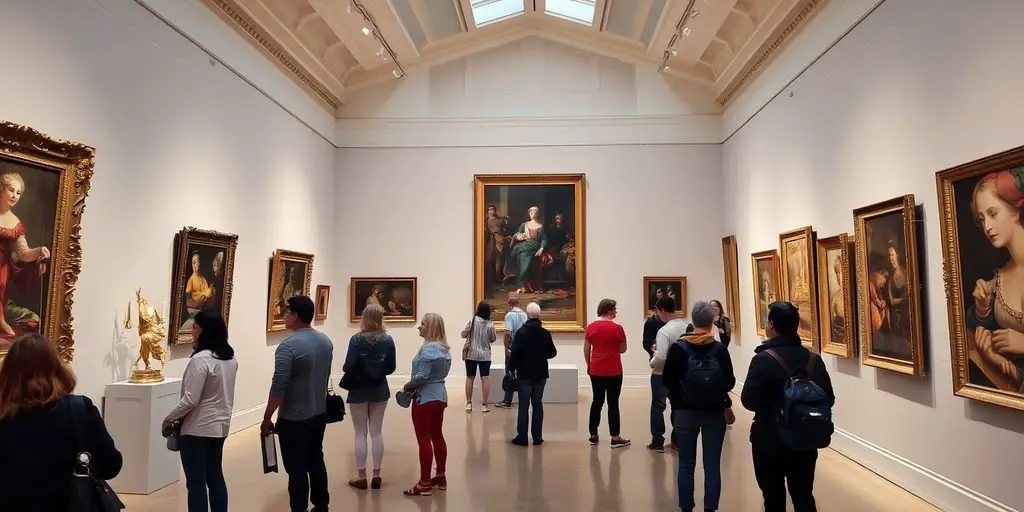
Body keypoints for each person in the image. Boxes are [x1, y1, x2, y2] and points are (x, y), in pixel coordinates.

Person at [0, 333, 123, 510]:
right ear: (57, 368)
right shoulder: (79, 409)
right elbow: (111, 466)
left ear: (8, 373)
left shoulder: (4, 417)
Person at [741, 301, 835, 512]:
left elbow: (748, 400)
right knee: (803, 496)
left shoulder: (763, 360)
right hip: (805, 438)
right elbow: (828, 398)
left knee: (773, 499)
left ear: (772, 325)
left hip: (769, 439)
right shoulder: (813, 360)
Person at [261, 296, 334, 512]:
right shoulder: (325, 341)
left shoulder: (288, 347)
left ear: (295, 316)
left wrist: (267, 417)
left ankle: (299, 508)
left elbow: (279, 385)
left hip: (294, 418)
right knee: (316, 459)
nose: (284, 316)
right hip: (318, 413)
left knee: (296, 469)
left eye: (287, 312)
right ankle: (321, 504)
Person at [661, 301, 736, 512]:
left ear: (692, 321)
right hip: (713, 413)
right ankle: (710, 508)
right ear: (712, 321)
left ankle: (686, 507)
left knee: (686, 463)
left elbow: (667, 380)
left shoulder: (678, 348)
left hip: (684, 412)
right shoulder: (719, 350)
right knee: (712, 465)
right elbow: (729, 382)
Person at [163, 310, 238, 512]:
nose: (192, 331)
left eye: (194, 327)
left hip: (197, 429)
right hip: (219, 427)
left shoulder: (200, 360)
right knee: (215, 478)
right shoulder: (229, 359)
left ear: (204, 330)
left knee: (195, 483)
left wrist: (169, 419)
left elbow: (190, 400)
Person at [342, 304, 397, 490]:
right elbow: (391, 368)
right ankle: (376, 474)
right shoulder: (388, 340)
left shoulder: (356, 340)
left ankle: (361, 475)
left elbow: (349, 365)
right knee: (377, 431)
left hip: (358, 389)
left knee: (360, 432)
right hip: (379, 389)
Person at [402, 313, 453, 496]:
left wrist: (406, 387)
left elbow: (421, 378)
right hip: (440, 396)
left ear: (430, 328)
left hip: (424, 398)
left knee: (424, 439)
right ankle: (440, 476)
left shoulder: (427, 351)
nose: (419, 327)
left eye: (423, 324)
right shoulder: (444, 349)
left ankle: (424, 483)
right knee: (437, 436)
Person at [507, 302, 557, 446]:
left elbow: (515, 354)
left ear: (527, 315)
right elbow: (552, 352)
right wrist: (541, 355)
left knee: (523, 405)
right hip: (541, 373)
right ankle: (537, 437)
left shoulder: (522, 333)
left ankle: (522, 437)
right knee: (537, 404)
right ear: (539, 315)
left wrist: (511, 368)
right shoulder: (545, 333)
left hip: (525, 373)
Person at [583, 298, 630, 447]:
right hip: (614, 370)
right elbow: (623, 349)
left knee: (597, 401)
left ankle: (593, 433)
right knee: (613, 403)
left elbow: (586, 349)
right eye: (614, 309)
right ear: (609, 310)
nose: (616, 311)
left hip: (596, 369)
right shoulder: (617, 329)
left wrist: (589, 365)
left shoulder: (591, 327)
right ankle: (615, 436)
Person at [645, 296, 687, 452]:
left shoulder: (664, 331)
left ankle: (657, 441)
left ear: (662, 310)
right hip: (682, 374)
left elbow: (661, 356)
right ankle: (676, 440)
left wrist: (652, 362)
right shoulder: (688, 326)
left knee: (657, 407)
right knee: (678, 406)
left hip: (661, 374)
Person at [461, 301, 497, 413]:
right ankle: (484, 405)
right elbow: (492, 339)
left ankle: (468, 403)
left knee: (470, 377)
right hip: (485, 354)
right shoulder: (491, 324)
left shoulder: (472, 321)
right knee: (485, 378)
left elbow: (463, 334)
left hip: (471, 353)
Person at [495, 292, 528, 408]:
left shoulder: (509, 315)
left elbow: (507, 333)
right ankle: (523, 399)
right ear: (518, 302)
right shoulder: (524, 315)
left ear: (509, 303)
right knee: (522, 375)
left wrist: (505, 348)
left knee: (509, 373)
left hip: (512, 348)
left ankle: (507, 400)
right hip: (523, 349)